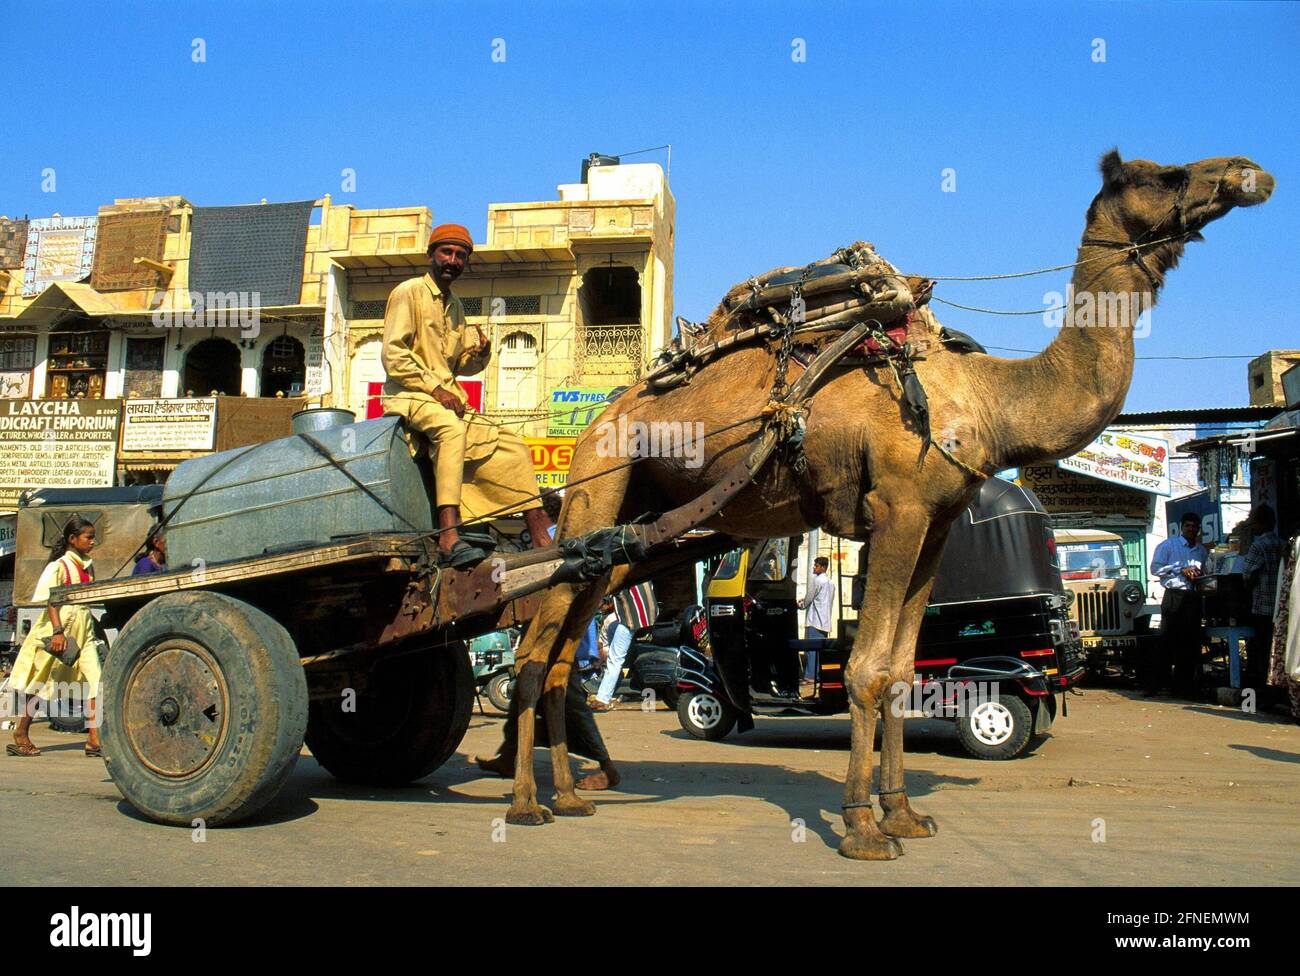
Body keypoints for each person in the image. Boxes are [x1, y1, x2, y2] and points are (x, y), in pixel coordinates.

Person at [380, 223, 553, 566]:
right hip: (409, 394)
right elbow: (393, 356)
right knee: (451, 430)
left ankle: (540, 535)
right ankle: (448, 534)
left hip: (446, 396)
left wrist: (481, 354)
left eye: (461, 255)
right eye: (446, 252)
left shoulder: (455, 305)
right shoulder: (408, 292)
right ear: (431, 254)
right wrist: (435, 389)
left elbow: (458, 365)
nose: (453, 260)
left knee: (513, 446)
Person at [6, 517, 104, 758]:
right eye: (88, 537)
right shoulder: (59, 566)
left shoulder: (87, 566)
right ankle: (21, 732)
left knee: (97, 682)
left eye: (93, 537)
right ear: (73, 539)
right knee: (42, 683)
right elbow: (52, 600)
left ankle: (94, 739)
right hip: (59, 629)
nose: (92, 542)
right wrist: (58, 632)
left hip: (84, 631)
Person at [1148, 513, 1210, 697]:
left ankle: (1184, 687)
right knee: (1168, 640)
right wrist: (1180, 569)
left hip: (1193, 597)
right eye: (1188, 526)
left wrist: (1198, 576)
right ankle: (1158, 685)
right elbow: (1155, 568)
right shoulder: (1168, 545)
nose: (1191, 530)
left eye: (1195, 527)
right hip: (1174, 597)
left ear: (1199, 529)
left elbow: (1204, 572)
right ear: (1182, 527)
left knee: (1190, 643)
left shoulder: (1201, 551)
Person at [1242, 504, 1284, 691]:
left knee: (1260, 650)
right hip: (1281, 607)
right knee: (1277, 649)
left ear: (1259, 524)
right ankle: (1278, 686)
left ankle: (1262, 689)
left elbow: (1247, 576)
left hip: (1262, 607)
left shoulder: (1257, 546)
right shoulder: (1283, 544)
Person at [590, 596, 632, 712]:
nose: (600, 608)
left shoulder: (612, 620)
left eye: (602, 605)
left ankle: (602, 699)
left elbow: (603, 645)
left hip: (612, 645)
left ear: (610, 604)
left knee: (614, 661)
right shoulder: (609, 618)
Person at [798, 556, 834, 683]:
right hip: (825, 622)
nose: (814, 567)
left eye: (816, 565)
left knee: (811, 650)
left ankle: (810, 675)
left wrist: (801, 605)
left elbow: (809, 598)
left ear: (823, 568)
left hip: (814, 620)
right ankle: (818, 675)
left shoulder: (817, 580)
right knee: (820, 650)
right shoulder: (830, 583)